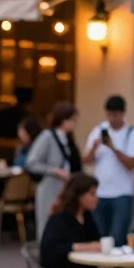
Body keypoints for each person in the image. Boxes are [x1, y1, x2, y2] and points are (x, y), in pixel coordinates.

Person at [83, 95, 134, 247]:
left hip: (122, 193)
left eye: (115, 114)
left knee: (118, 237)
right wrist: (95, 146)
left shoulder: (132, 133)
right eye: (109, 114)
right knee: (99, 237)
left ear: (122, 114)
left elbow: (132, 164)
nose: (112, 118)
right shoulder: (98, 131)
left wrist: (113, 147)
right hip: (99, 192)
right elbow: (86, 160)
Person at [26, 102, 81, 239]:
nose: (74, 124)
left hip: (65, 189)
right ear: (64, 119)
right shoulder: (47, 137)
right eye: (72, 120)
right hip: (49, 187)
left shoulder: (68, 139)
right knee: (47, 224)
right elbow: (31, 163)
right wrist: (54, 170)